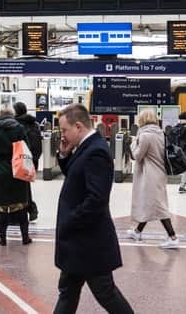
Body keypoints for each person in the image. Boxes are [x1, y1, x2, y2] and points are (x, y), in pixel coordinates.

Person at [54, 104, 133, 314]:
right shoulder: (86, 147)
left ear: (78, 126)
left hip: (89, 241)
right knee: (68, 291)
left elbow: (97, 199)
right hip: (79, 241)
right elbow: (75, 175)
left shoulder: (96, 151)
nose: (62, 135)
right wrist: (64, 155)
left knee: (105, 292)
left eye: (64, 130)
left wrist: (70, 220)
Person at [0, 104, 31, 246]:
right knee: (20, 204)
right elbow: (27, 148)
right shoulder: (19, 128)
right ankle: (25, 237)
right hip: (17, 170)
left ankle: (2, 238)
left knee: (1, 207)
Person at [127, 109, 179, 249]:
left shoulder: (145, 136)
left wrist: (133, 143)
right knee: (150, 203)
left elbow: (137, 156)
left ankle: (172, 237)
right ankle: (137, 232)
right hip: (159, 173)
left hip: (150, 175)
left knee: (158, 206)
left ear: (142, 120)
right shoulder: (160, 133)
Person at [14, 102, 42, 222]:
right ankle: (29, 208)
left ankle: (28, 208)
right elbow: (37, 144)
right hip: (31, 159)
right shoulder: (34, 124)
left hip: (19, 159)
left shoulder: (16, 125)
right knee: (25, 185)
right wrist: (34, 159)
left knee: (20, 187)